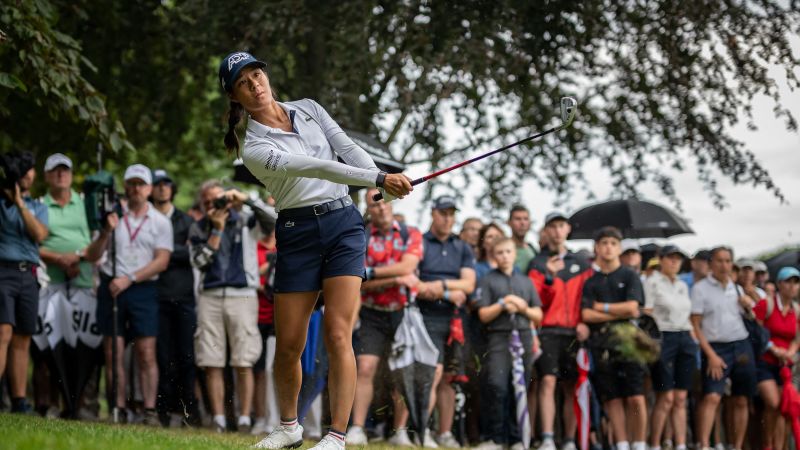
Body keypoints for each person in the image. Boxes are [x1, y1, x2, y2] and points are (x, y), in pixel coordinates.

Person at [217, 51, 412, 449]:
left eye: (257, 74)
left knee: (339, 333)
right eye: (243, 82)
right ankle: (289, 427)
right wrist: (378, 177)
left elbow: (346, 147)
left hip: (343, 225)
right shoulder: (252, 146)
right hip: (297, 230)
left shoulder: (308, 109)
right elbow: (315, 167)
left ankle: (336, 437)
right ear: (235, 96)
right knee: (290, 343)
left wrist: (380, 181)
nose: (255, 84)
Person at [189, 180, 275, 433]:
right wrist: (216, 231)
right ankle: (218, 418)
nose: (212, 205)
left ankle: (246, 418)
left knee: (243, 359)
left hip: (243, 295)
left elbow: (272, 222)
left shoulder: (246, 219)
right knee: (211, 359)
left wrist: (246, 199)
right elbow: (199, 262)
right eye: (207, 202)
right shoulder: (200, 226)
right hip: (210, 295)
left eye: (218, 199)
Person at [94, 164, 172, 425]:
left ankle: (149, 410)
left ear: (149, 189)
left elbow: (162, 261)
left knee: (146, 351)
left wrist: (130, 279)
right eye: (132, 183)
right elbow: (94, 255)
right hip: (112, 286)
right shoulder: (111, 216)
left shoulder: (160, 222)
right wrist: (106, 230)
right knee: (113, 351)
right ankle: (118, 408)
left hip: (142, 288)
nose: (136, 188)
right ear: (125, 187)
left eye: (141, 184)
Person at [347, 187, 423, 446]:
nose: (381, 207)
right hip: (372, 314)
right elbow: (358, 279)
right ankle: (357, 428)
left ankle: (400, 431)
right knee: (365, 368)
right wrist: (390, 277)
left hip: (403, 313)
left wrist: (374, 272)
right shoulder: (362, 236)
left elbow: (409, 267)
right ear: (368, 208)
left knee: (403, 371)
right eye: (374, 204)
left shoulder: (410, 233)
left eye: (384, 201)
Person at [37, 153, 109, 417]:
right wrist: (59, 258)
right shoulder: (39, 206)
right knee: (49, 345)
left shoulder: (85, 203)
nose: (60, 174)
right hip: (50, 284)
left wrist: (77, 257)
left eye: (65, 169)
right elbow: (35, 243)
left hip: (82, 282)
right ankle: (50, 404)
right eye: (55, 170)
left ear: (70, 173)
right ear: (46, 176)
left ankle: (81, 404)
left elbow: (96, 241)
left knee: (83, 345)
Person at [528, 212, 592, 450]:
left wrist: (585, 321)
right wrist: (549, 276)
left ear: (567, 230)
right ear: (546, 231)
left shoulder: (583, 264)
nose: (556, 231)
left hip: (575, 332)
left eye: (561, 226)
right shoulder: (537, 263)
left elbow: (588, 297)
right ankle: (546, 437)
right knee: (547, 381)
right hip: (548, 331)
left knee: (572, 386)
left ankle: (568, 440)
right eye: (552, 226)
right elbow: (534, 300)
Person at [416, 196, 476, 448]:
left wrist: (438, 285)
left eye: (451, 213)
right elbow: (415, 284)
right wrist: (450, 291)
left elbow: (469, 284)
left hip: (455, 321)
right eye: (443, 213)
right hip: (425, 316)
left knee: (450, 377)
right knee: (431, 374)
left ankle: (444, 433)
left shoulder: (462, 247)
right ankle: (423, 431)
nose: (447, 218)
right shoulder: (420, 242)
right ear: (433, 213)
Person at [581, 227, 647, 450]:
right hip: (601, 343)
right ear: (597, 248)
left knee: (635, 396)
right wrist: (613, 311)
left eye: (613, 243)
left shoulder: (630, 276)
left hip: (629, 342)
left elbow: (632, 308)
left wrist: (602, 307)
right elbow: (586, 314)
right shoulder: (591, 282)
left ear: (619, 248)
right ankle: (621, 444)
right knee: (613, 398)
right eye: (604, 243)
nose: (608, 247)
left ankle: (638, 443)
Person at [475, 238, 543, 450]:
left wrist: (522, 307)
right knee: (497, 385)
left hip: (523, 337)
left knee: (520, 387)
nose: (505, 256)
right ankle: (496, 438)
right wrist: (503, 304)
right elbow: (483, 314)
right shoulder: (487, 280)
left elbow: (538, 315)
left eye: (508, 252)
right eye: (500, 252)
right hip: (498, 337)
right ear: (495, 256)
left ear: (515, 254)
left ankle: (516, 439)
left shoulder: (526, 281)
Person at [690, 246, 757, 450]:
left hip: (741, 344)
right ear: (711, 264)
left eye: (728, 261)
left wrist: (748, 305)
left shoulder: (736, 287)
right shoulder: (701, 288)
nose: (724, 265)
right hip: (716, 346)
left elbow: (753, 319)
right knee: (712, 396)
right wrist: (710, 355)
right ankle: (703, 445)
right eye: (719, 261)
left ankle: (736, 446)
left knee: (741, 399)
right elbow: (695, 325)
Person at [149, 169, 201, 427]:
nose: (161, 188)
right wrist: (173, 253)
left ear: (172, 188)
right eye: (156, 184)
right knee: (162, 356)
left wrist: (161, 255)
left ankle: (188, 411)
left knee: (186, 356)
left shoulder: (184, 219)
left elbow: (193, 252)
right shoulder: (144, 218)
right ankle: (163, 410)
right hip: (156, 297)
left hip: (184, 297)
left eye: (166, 183)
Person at [0, 151, 48, 414]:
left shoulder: (39, 207)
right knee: (2, 333)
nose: (28, 175)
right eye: (24, 170)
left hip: (28, 275)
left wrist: (19, 203)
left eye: (30, 170)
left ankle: (19, 400)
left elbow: (38, 233)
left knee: (22, 338)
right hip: (2, 272)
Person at [643, 245, 697, 450]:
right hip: (663, 335)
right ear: (661, 259)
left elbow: (687, 315)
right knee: (665, 396)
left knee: (681, 397)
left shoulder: (682, 285)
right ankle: (655, 444)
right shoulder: (652, 282)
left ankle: (680, 444)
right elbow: (646, 312)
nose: (674, 262)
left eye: (678, 258)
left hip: (684, 336)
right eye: (670, 258)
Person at [752, 266, 800, 450]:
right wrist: (773, 349)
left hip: (786, 365)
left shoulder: (796, 309)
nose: (792, 286)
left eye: (796, 282)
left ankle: (778, 447)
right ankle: (767, 445)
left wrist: (790, 352)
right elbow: (756, 331)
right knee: (772, 403)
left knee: (784, 408)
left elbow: (797, 338)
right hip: (765, 362)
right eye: (788, 281)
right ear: (779, 284)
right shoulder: (767, 304)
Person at [252, 225, 279, 436]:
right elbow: (250, 276)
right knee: (259, 370)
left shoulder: (284, 244)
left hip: (279, 317)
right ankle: (260, 418)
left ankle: (278, 420)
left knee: (274, 369)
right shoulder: (254, 245)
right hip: (256, 315)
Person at [508, 205, 537, 273]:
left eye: (526, 219)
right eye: (518, 219)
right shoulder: (502, 249)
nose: (522, 223)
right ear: (509, 223)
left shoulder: (533, 250)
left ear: (530, 223)